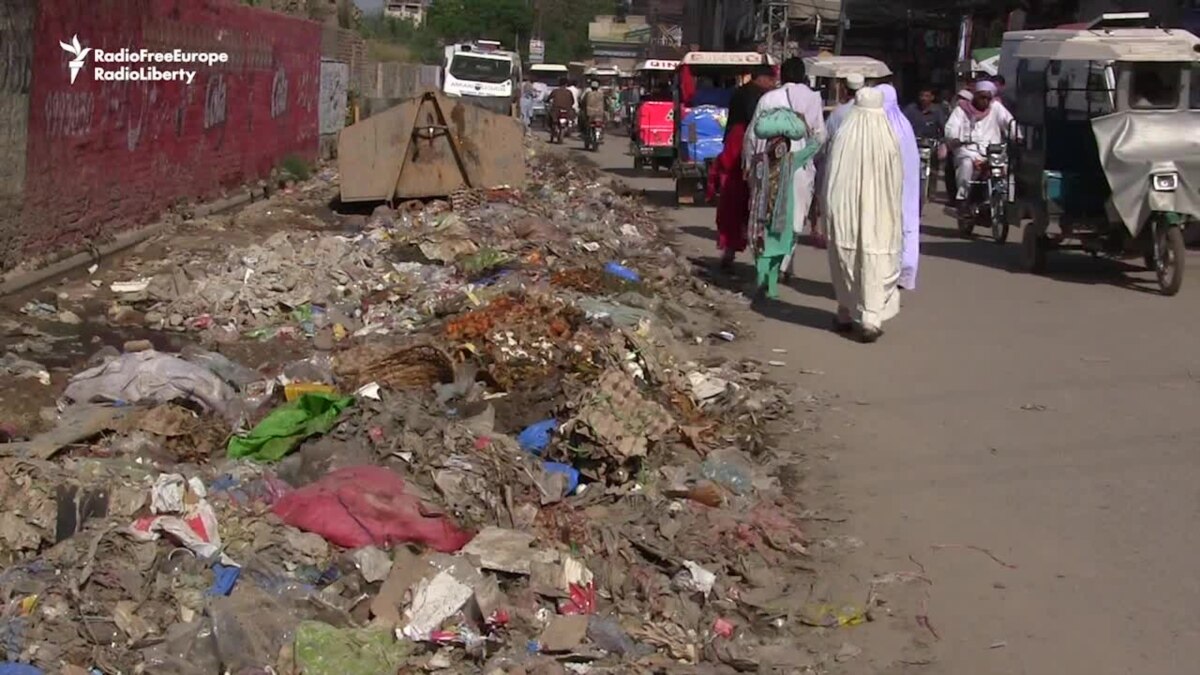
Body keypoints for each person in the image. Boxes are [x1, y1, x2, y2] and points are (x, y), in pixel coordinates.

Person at [824, 86, 903, 343]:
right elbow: (897, 179)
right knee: (875, 258)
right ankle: (871, 317)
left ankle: (846, 311)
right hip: (880, 214)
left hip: (845, 211)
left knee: (845, 257)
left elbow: (831, 177)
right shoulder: (888, 135)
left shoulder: (845, 134)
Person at [744, 56, 827, 290]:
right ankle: (782, 265)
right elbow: (820, 136)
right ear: (802, 76)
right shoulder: (811, 99)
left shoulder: (768, 98)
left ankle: (767, 264)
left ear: (782, 76)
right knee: (793, 218)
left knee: (765, 216)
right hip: (798, 168)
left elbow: (752, 136)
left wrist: (750, 163)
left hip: (766, 165)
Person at [710, 65, 776, 270]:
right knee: (756, 202)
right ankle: (762, 257)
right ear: (763, 79)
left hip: (732, 148)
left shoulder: (741, 92)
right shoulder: (759, 97)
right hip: (747, 150)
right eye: (771, 79)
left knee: (732, 203)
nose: (773, 84)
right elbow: (755, 127)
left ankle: (729, 250)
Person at [944, 80, 1014, 208]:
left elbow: (1009, 122)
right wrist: (954, 137)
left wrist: (1018, 137)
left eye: (988, 98)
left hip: (992, 151)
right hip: (967, 149)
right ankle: (963, 198)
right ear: (975, 95)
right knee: (966, 164)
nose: (985, 101)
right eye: (982, 97)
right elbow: (951, 127)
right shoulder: (961, 109)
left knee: (1006, 168)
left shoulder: (996, 107)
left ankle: (1002, 200)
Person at [878, 84, 921, 291]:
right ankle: (906, 270)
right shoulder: (905, 124)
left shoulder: (881, 125)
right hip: (908, 186)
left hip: (888, 185)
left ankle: (887, 272)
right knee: (907, 223)